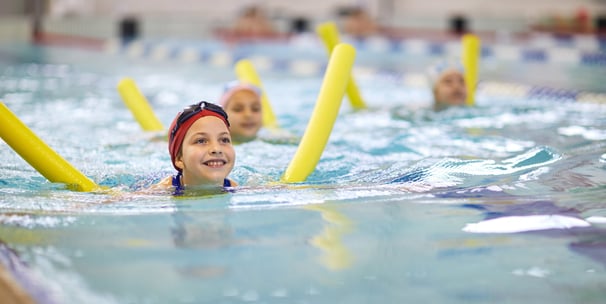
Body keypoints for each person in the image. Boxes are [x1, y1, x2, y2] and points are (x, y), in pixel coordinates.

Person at [152, 101, 238, 195]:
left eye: (224, 140)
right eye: (201, 141)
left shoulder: (234, 188)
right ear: (179, 158)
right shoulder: (162, 191)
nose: (216, 149)